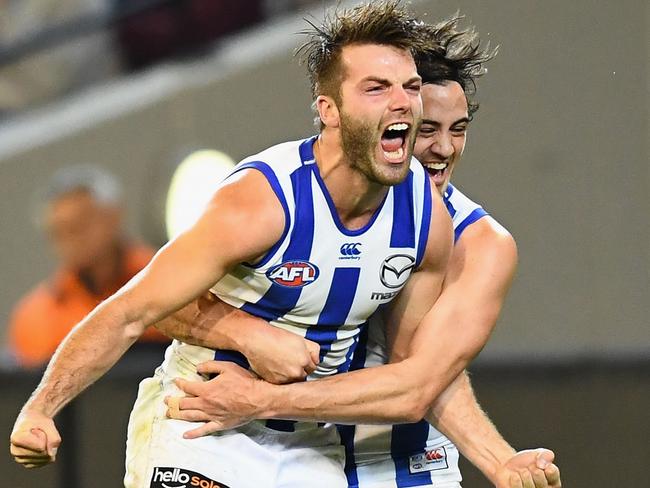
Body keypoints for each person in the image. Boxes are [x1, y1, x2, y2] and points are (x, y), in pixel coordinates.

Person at [10, 3, 454, 487]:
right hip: (201, 428)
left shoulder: (426, 219)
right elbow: (135, 309)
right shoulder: (262, 200)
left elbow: (410, 386)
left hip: (311, 446)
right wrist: (39, 409)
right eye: (376, 88)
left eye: (410, 88)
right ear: (329, 110)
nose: (402, 103)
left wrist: (266, 400)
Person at [158, 16, 561, 488]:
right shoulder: (300, 198)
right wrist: (249, 335)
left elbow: (426, 374)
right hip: (288, 449)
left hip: (403, 460)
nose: (443, 148)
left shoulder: (479, 243)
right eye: (426, 127)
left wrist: (498, 461)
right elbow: (159, 300)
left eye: (459, 128)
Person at [6, 165, 168, 369]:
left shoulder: (169, 279)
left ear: (113, 217)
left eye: (80, 225)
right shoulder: (34, 317)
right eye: (59, 233)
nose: (70, 242)